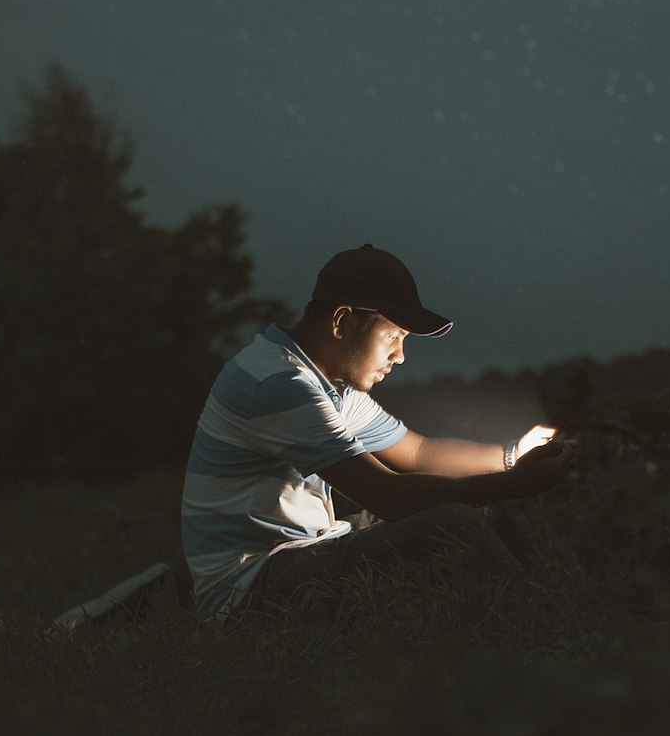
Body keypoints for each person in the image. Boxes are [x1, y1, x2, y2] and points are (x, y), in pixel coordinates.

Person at [180, 244, 578, 617]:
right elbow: (389, 497)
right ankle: (540, 621)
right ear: (342, 321)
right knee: (453, 521)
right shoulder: (279, 385)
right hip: (248, 593)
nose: (400, 356)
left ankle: (544, 600)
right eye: (392, 335)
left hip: (300, 554)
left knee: (480, 499)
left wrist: (513, 455)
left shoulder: (324, 383)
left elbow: (420, 453)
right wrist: (517, 483)